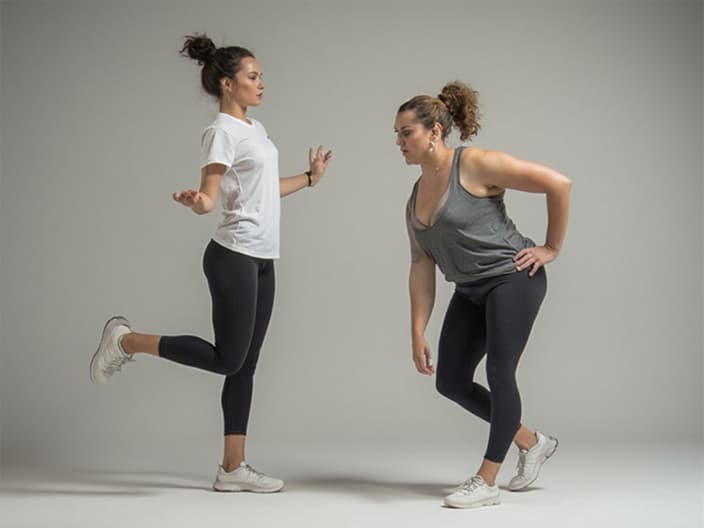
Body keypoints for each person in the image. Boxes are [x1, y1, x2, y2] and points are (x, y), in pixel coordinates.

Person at [89, 34, 332, 494]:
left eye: (261, 76)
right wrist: (197, 201)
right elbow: (209, 197)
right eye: (253, 76)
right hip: (234, 255)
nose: (262, 83)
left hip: (263, 258)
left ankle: (233, 468)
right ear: (227, 83)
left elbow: (263, 191)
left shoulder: (254, 131)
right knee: (229, 359)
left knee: (245, 366)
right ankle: (126, 340)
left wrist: (309, 179)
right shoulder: (221, 131)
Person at [395, 81, 571, 509]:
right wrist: (418, 330)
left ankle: (487, 480)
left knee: (499, 370)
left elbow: (558, 183)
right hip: (471, 290)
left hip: (513, 278)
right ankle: (532, 442)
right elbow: (422, 264)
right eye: (397, 134)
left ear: (434, 131)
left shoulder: (473, 163)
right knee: (451, 381)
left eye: (406, 133)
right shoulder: (415, 198)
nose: (399, 142)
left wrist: (550, 248)